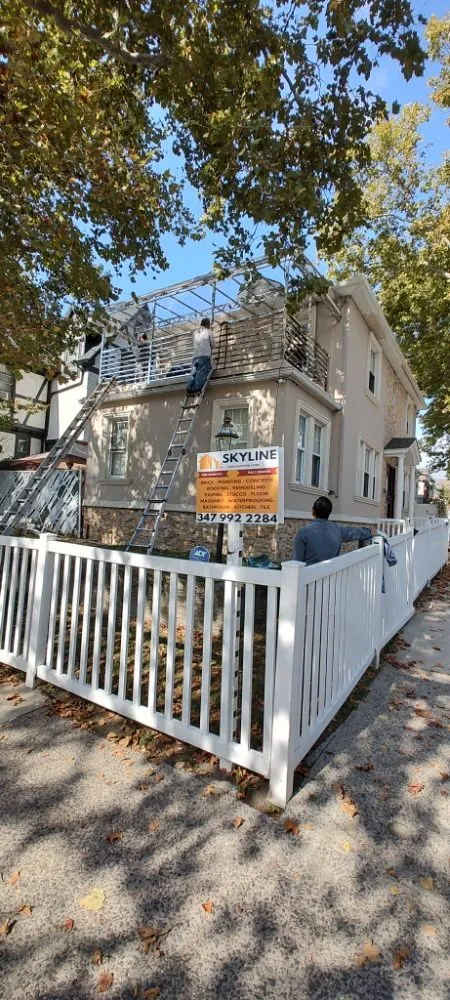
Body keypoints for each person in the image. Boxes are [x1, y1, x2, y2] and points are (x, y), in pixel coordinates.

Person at [292, 496, 372, 565]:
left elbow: (295, 563)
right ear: (329, 513)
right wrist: (368, 532)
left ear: (313, 511)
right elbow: (357, 532)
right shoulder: (338, 529)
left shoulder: (303, 533)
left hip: (309, 580)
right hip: (332, 579)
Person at [186, 317, 215, 394]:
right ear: (208, 324)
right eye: (209, 324)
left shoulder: (196, 333)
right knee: (202, 372)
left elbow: (193, 339)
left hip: (195, 356)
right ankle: (196, 388)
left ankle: (189, 387)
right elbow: (213, 344)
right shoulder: (209, 332)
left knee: (194, 372)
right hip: (204, 355)